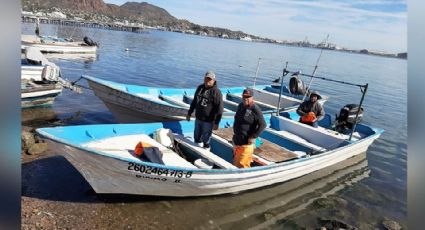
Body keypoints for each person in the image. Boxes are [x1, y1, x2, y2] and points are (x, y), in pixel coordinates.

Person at [186, 71, 224, 149]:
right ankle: (196, 149)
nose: (207, 81)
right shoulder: (200, 87)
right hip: (198, 118)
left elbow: (219, 108)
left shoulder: (216, 92)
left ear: (213, 80)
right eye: (206, 78)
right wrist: (189, 113)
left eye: (209, 79)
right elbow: (194, 101)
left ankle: (206, 150)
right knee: (196, 136)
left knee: (206, 139)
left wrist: (217, 122)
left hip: (208, 121)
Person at [232, 89, 266, 168]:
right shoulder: (240, 106)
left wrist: (253, 136)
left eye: (248, 97)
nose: (245, 98)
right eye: (244, 96)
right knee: (236, 162)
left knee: (243, 164)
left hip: (246, 143)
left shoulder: (255, 109)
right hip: (237, 141)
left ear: (252, 98)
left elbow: (263, 124)